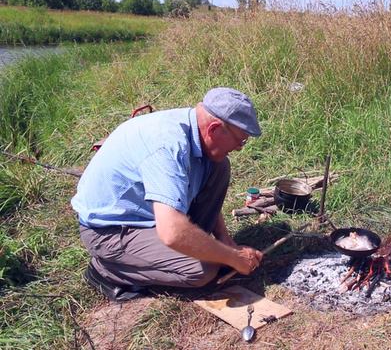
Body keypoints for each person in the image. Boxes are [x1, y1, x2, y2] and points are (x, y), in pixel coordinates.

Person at [71, 87, 264, 301]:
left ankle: (194, 245)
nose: (239, 148)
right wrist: (234, 258)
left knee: (219, 166)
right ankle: (106, 270)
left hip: (150, 214)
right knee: (204, 271)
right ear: (215, 129)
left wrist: (226, 242)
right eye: (241, 140)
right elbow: (172, 233)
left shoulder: (192, 128)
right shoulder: (168, 147)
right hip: (110, 230)